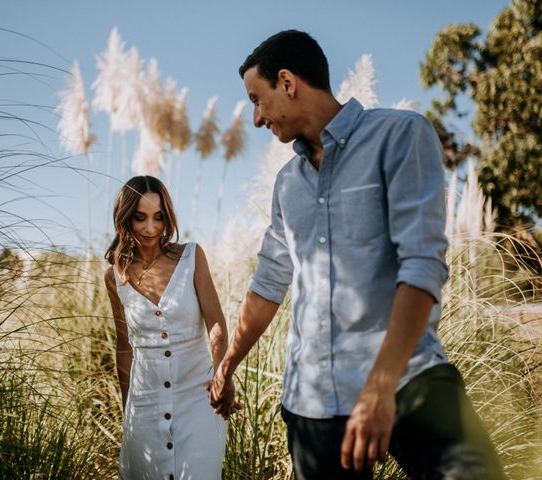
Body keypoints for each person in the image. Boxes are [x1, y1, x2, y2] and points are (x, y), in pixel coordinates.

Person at [209, 30, 505, 479]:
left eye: (257, 98)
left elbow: (422, 263)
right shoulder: (287, 183)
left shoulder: (400, 135)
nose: (255, 118)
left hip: (409, 382)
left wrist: (380, 386)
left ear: (287, 82)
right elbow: (269, 280)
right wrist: (229, 362)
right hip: (312, 406)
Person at [104, 176, 235, 480]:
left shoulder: (191, 257)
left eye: (158, 217)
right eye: (140, 218)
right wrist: (129, 413)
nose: (151, 228)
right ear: (125, 218)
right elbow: (124, 347)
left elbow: (216, 321)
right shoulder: (115, 276)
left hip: (199, 398)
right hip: (143, 402)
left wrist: (221, 375)